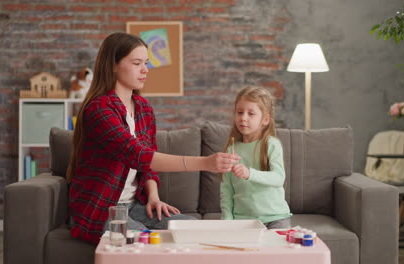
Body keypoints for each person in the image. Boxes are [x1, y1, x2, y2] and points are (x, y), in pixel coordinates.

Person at [67, 32, 240, 244]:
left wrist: (154, 197)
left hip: (135, 205)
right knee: (147, 243)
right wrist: (205, 162)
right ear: (113, 65)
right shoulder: (99, 109)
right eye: (137, 63)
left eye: (146, 63)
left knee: (194, 232)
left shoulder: (143, 109)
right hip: (102, 208)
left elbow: (147, 166)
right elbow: (136, 154)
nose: (145, 70)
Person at [220, 86, 292, 229]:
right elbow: (226, 189)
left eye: (251, 113)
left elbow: (278, 178)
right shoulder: (231, 150)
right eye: (239, 112)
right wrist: (227, 220)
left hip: (276, 218)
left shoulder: (271, 144)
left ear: (265, 120)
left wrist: (249, 173)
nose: (243, 118)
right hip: (243, 221)